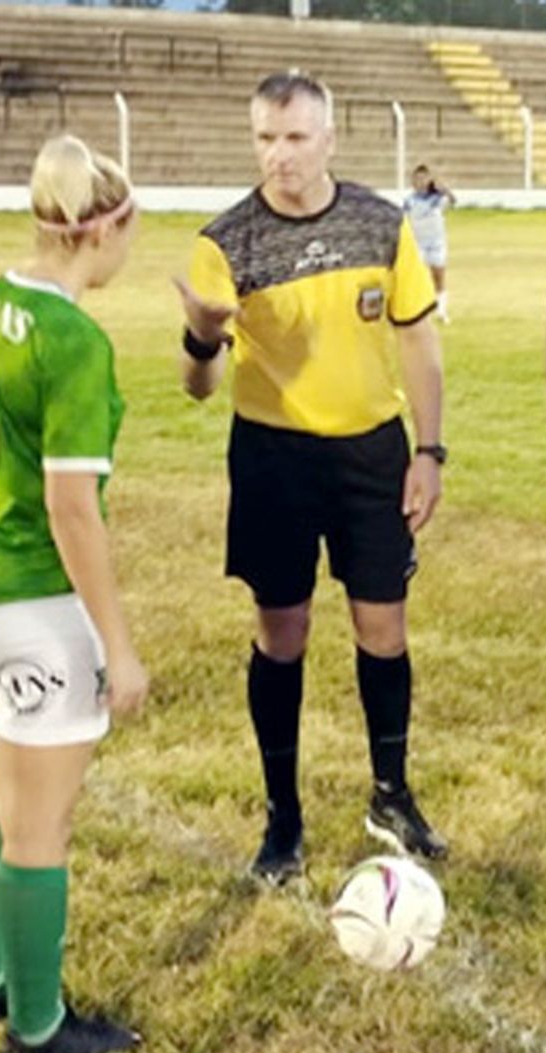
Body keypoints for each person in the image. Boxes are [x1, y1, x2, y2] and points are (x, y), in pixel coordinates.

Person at [174, 71, 449, 887]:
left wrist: (428, 452)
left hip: (372, 454)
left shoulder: (382, 223)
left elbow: (420, 345)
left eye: (295, 137)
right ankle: (282, 815)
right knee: (282, 633)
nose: (279, 154)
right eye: (265, 137)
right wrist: (199, 338)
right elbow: (200, 386)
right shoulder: (225, 242)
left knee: (384, 629)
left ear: (328, 139)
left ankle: (391, 793)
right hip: (273, 460)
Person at [0, 135, 146, 1053]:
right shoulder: (72, 337)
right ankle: (39, 1025)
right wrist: (117, 645)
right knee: (40, 822)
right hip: (29, 602)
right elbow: (70, 507)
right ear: (107, 229)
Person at [402, 163, 457, 323]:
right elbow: (404, 220)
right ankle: (417, 309)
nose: (419, 182)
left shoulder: (437, 198)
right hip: (418, 242)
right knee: (416, 276)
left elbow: (452, 201)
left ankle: (441, 310)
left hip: (436, 242)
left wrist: (444, 188)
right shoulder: (410, 201)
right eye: (416, 179)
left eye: (423, 178)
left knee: (438, 275)